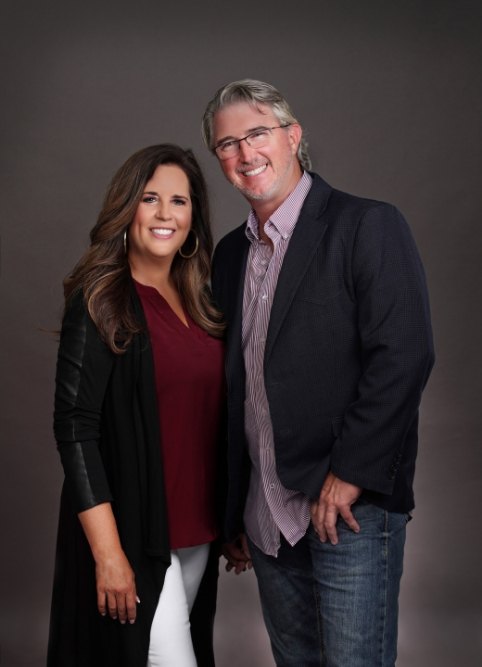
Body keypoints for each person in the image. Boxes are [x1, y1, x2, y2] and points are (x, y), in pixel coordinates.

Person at [201, 79, 435, 667]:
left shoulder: (366, 225)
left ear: (293, 135)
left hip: (348, 507)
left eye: (257, 133)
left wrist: (352, 471)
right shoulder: (230, 254)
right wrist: (235, 506)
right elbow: (237, 386)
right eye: (227, 144)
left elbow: (404, 354)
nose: (246, 153)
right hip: (266, 514)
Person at [47, 144, 225, 667]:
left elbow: (214, 423)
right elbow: (74, 429)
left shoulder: (205, 304)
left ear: (194, 217)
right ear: (128, 208)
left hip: (199, 533)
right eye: (151, 199)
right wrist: (107, 555)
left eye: (179, 201)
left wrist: (233, 521)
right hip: (134, 534)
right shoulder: (100, 299)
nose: (166, 214)